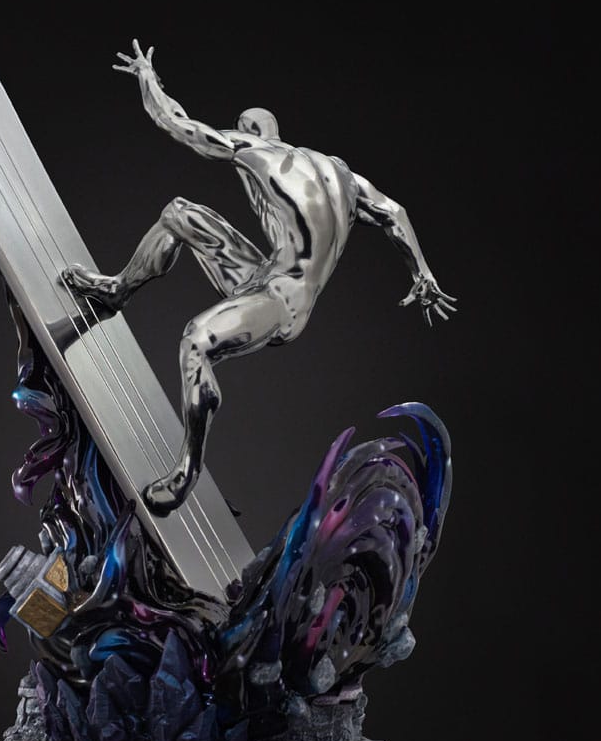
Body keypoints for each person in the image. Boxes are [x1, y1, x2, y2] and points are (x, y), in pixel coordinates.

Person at [62, 41, 455, 515]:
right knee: (180, 214)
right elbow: (395, 213)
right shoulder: (340, 174)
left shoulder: (256, 152)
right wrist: (422, 273)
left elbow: (178, 124)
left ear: (250, 132)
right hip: (269, 280)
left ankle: (187, 471)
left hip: (280, 302)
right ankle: (115, 292)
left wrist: (148, 79)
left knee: (196, 341)